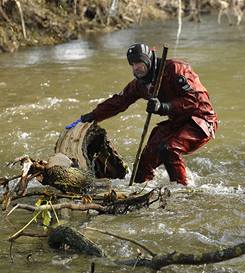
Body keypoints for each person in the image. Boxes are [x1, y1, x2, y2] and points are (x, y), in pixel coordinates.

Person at [66, 43, 218, 186]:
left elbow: (196, 100)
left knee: (169, 149)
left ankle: (183, 190)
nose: (135, 68)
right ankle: (139, 187)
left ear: (148, 60)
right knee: (147, 156)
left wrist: (164, 107)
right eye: (132, 64)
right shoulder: (140, 85)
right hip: (177, 122)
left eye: (139, 63)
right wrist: (92, 116)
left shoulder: (176, 69)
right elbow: (118, 102)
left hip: (201, 121)